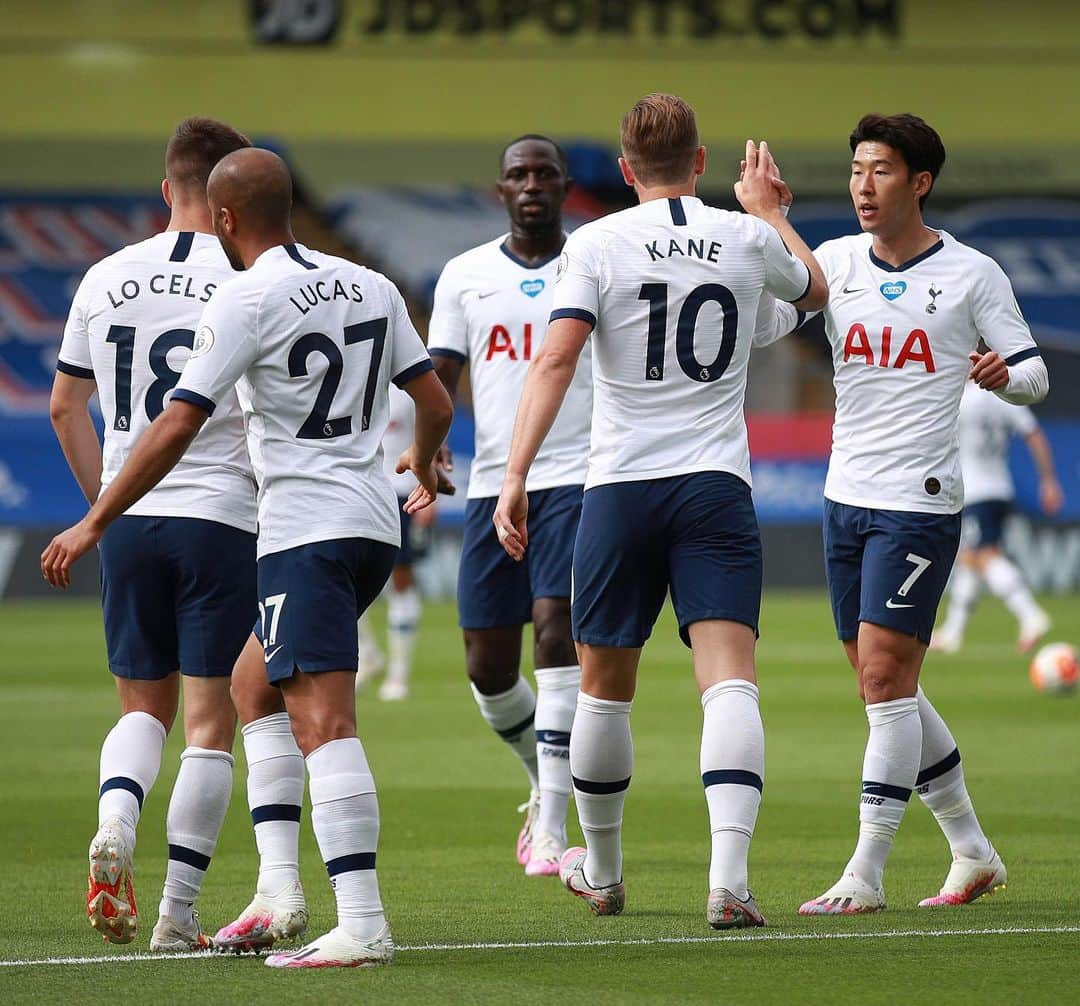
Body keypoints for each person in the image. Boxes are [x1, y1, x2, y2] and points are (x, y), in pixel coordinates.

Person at [41, 147, 455, 969]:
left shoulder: (245, 296)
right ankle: (276, 893)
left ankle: (362, 923)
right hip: (371, 520)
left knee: (323, 719)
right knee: (249, 685)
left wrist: (96, 520)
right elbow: (434, 397)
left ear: (224, 219)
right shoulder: (370, 283)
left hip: (303, 528)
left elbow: (176, 422)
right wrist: (427, 460)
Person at [493, 94, 828, 927]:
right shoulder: (745, 236)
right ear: (702, 162)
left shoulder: (598, 243)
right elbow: (815, 290)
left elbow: (557, 358)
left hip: (618, 489)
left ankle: (603, 872)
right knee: (729, 684)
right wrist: (771, 213)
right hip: (715, 485)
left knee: (604, 692)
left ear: (625, 166)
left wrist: (514, 475)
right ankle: (730, 883)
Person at [757, 114, 1048, 916]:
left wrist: (999, 374)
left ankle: (866, 871)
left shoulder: (972, 273)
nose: (862, 185)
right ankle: (972, 851)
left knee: (885, 677)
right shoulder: (839, 263)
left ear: (919, 183)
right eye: (855, 170)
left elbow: (1034, 375)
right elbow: (777, 313)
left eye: (880, 170)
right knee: (882, 681)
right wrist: (767, 230)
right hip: (842, 495)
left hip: (918, 503)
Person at [49, 117, 255, 952]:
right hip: (221, 515)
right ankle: (177, 914)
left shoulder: (105, 276)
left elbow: (67, 404)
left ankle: (114, 820)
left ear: (168, 188)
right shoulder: (249, 277)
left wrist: (106, 502)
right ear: (233, 193)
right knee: (211, 720)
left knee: (143, 706)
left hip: (130, 517)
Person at [427, 135, 591, 877]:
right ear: (500, 189)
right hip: (496, 482)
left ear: (564, 186)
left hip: (580, 473)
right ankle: (542, 777)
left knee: (555, 630)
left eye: (545, 174)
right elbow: (440, 373)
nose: (531, 185)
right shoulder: (464, 276)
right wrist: (430, 444)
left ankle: (554, 824)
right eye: (519, 175)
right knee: (488, 667)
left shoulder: (595, 260)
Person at [932, 381, 1062, 653]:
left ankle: (1030, 614)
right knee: (969, 557)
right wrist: (1048, 481)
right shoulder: (1004, 394)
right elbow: (1034, 435)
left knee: (984, 555)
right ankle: (953, 632)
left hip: (974, 490)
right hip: (1000, 487)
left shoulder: (959, 397)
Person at [355, 383, 438, 701]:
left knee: (401, 580)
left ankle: (399, 672)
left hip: (403, 493)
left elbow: (431, 436)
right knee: (346, 578)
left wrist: (431, 497)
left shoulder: (409, 389)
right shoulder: (356, 377)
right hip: (362, 491)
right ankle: (368, 653)